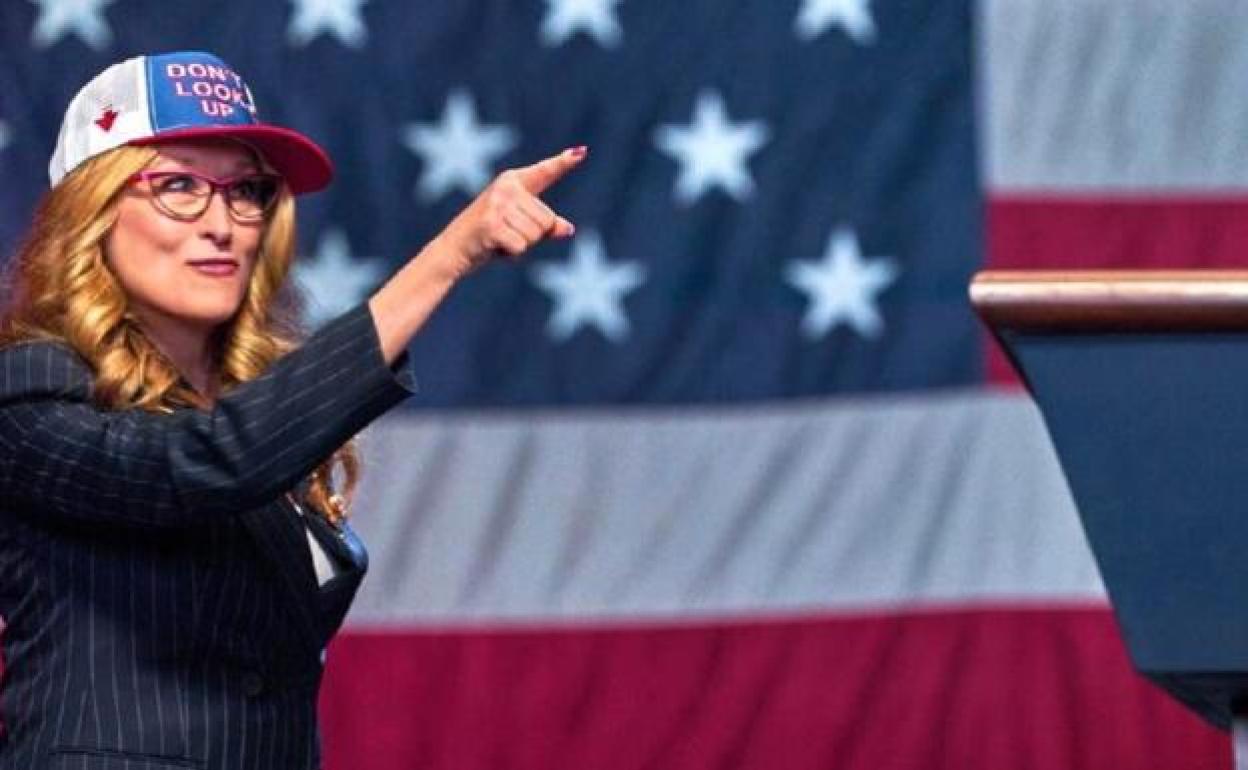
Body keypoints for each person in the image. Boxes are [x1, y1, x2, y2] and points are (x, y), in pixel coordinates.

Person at [0, 51, 584, 770]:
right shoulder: (27, 388)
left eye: (246, 190)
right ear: (92, 214)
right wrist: (448, 257)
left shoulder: (254, 405)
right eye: (179, 185)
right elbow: (200, 464)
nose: (222, 223)